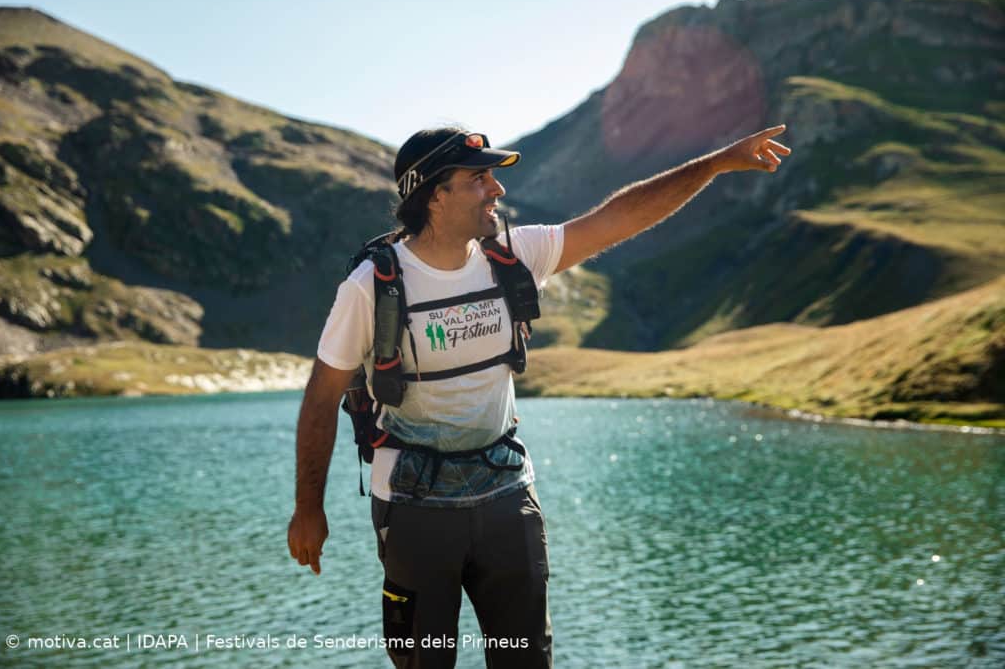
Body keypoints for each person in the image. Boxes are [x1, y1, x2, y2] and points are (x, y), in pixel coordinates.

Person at [288, 125, 791, 668]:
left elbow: (620, 217)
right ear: (435, 194)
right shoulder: (371, 286)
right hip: (415, 507)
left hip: (507, 497)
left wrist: (713, 163)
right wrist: (308, 508)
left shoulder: (514, 254)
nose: (497, 191)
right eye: (479, 179)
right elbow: (321, 400)